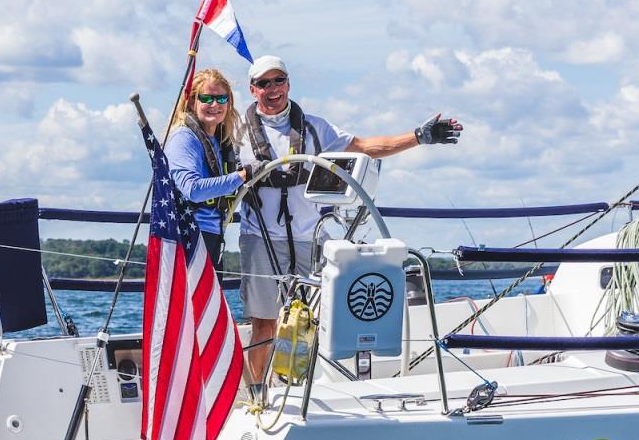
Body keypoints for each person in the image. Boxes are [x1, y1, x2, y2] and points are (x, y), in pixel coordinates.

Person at [238, 55, 463, 383]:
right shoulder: (236, 131)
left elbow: (367, 147)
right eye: (264, 83)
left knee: (310, 318)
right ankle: (259, 392)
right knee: (263, 322)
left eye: (279, 80)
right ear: (252, 90)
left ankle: (298, 387)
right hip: (259, 237)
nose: (273, 89)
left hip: (308, 238)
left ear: (288, 83)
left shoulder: (316, 127)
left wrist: (419, 136)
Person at [165, 68, 264, 275]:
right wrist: (242, 175)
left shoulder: (220, 140)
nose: (215, 105)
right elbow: (193, 190)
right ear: (192, 102)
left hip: (212, 237)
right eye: (206, 98)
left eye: (221, 98)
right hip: (187, 237)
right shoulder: (184, 137)